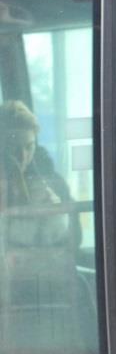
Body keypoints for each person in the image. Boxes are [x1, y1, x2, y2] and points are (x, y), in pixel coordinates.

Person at [0, 99, 78, 249]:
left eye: (29, 147)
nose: (22, 156)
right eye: (13, 147)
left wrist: (56, 215)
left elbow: (73, 242)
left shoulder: (52, 183)